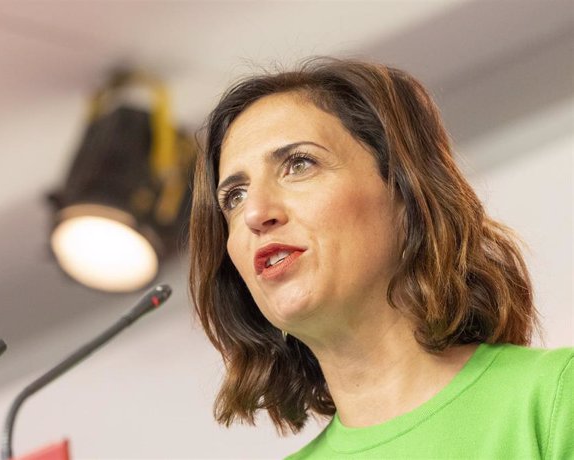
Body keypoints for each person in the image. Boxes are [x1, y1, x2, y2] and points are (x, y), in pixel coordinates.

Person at [188, 58, 573, 459]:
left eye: (299, 164)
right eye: (234, 197)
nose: (254, 213)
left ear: (406, 194)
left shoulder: (556, 398)